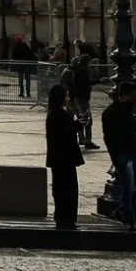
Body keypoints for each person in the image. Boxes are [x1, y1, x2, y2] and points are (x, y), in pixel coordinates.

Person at [101, 80, 136, 232]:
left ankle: (122, 211)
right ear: (125, 95)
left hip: (133, 153)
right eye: (133, 95)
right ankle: (129, 219)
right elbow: (108, 137)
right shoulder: (110, 113)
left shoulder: (131, 110)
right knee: (128, 187)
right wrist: (115, 155)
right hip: (122, 154)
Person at [46, 84, 85, 230]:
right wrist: (76, 125)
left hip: (59, 159)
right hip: (64, 158)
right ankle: (66, 218)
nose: (68, 99)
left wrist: (76, 125)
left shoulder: (55, 113)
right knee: (68, 190)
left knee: (62, 189)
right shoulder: (59, 115)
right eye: (67, 96)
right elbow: (64, 134)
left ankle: (63, 217)